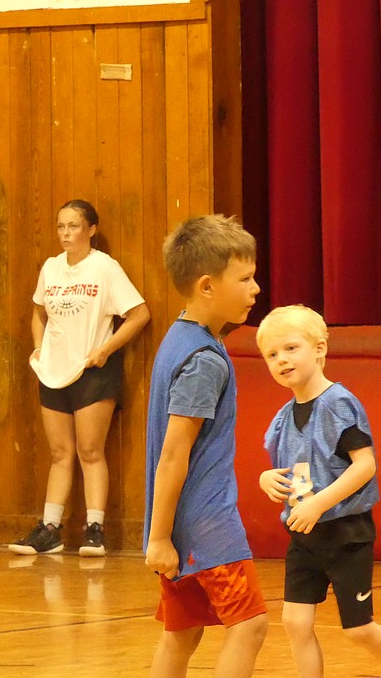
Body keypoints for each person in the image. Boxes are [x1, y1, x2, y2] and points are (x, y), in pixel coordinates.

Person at [256, 304, 381, 678]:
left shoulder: (338, 403)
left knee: (358, 629)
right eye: (271, 355)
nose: (281, 360)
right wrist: (266, 479)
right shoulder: (282, 417)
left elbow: (365, 465)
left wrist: (320, 503)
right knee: (294, 622)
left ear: (320, 348)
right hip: (304, 535)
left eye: (291, 348)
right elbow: (289, 468)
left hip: (345, 535)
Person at [143, 214, 268, 678]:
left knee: (182, 633)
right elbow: (174, 452)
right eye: (246, 278)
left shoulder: (182, 338)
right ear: (206, 286)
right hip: (207, 521)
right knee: (250, 625)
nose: (256, 288)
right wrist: (157, 537)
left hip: (183, 524)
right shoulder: (203, 361)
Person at [9, 199, 150, 557]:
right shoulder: (51, 269)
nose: (66, 233)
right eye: (61, 226)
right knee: (60, 452)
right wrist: (39, 348)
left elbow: (139, 314)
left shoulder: (105, 268)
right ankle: (50, 529)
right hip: (53, 370)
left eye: (73, 226)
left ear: (91, 230)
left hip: (93, 371)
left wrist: (106, 349)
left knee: (90, 450)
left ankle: (95, 529)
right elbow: (38, 312)